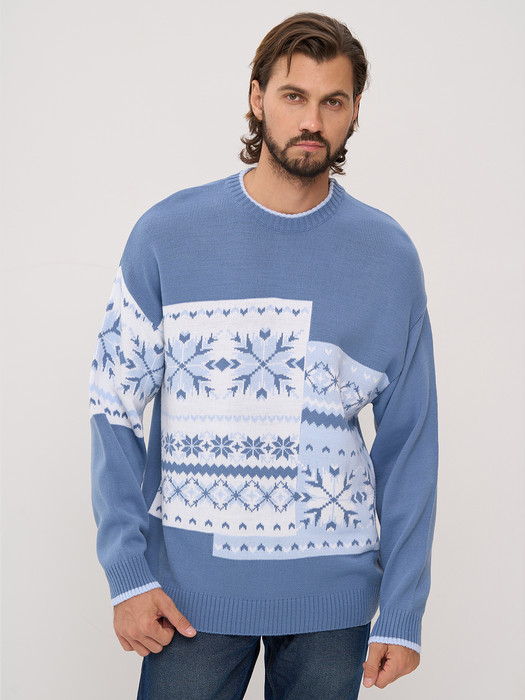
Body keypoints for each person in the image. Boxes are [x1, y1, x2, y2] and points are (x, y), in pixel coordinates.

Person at [88, 11, 439, 699]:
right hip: (187, 600)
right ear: (257, 98)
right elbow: (113, 408)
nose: (311, 120)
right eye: (293, 96)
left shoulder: (388, 256)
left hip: (333, 603)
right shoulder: (167, 235)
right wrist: (127, 573)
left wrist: (402, 611)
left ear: (354, 112)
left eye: (332, 101)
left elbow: (409, 445)